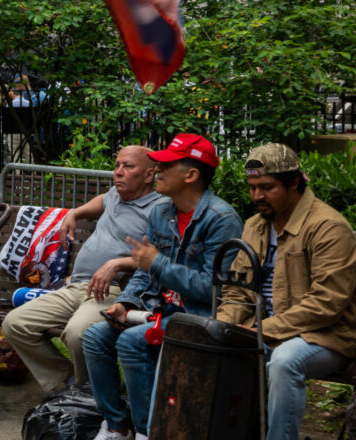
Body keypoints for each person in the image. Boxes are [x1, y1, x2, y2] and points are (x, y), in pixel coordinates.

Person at [83, 133, 243, 440]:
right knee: (96, 337)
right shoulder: (161, 213)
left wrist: (157, 263)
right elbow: (146, 274)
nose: (157, 170)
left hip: (199, 317)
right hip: (157, 311)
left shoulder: (221, 219)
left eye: (167, 165)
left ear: (191, 175)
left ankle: (149, 432)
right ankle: (117, 427)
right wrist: (127, 303)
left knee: (132, 342)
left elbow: (212, 289)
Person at [215, 143, 356, 440]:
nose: (256, 196)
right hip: (263, 329)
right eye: (252, 187)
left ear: (294, 183)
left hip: (326, 335)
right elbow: (239, 289)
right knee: (208, 346)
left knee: (284, 361)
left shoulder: (328, 227)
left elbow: (327, 303)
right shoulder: (255, 225)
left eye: (266, 187)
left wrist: (261, 330)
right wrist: (224, 326)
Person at [1, 146, 165, 392]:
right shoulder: (115, 195)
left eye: (128, 167)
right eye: (117, 165)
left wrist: (118, 263)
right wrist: (74, 213)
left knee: (78, 334)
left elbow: (162, 258)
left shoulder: (159, 209)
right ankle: (69, 386)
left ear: (149, 175)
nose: (118, 172)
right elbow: (101, 200)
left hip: (112, 291)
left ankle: (93, 394)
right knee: (15, 323)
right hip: (76, 286)